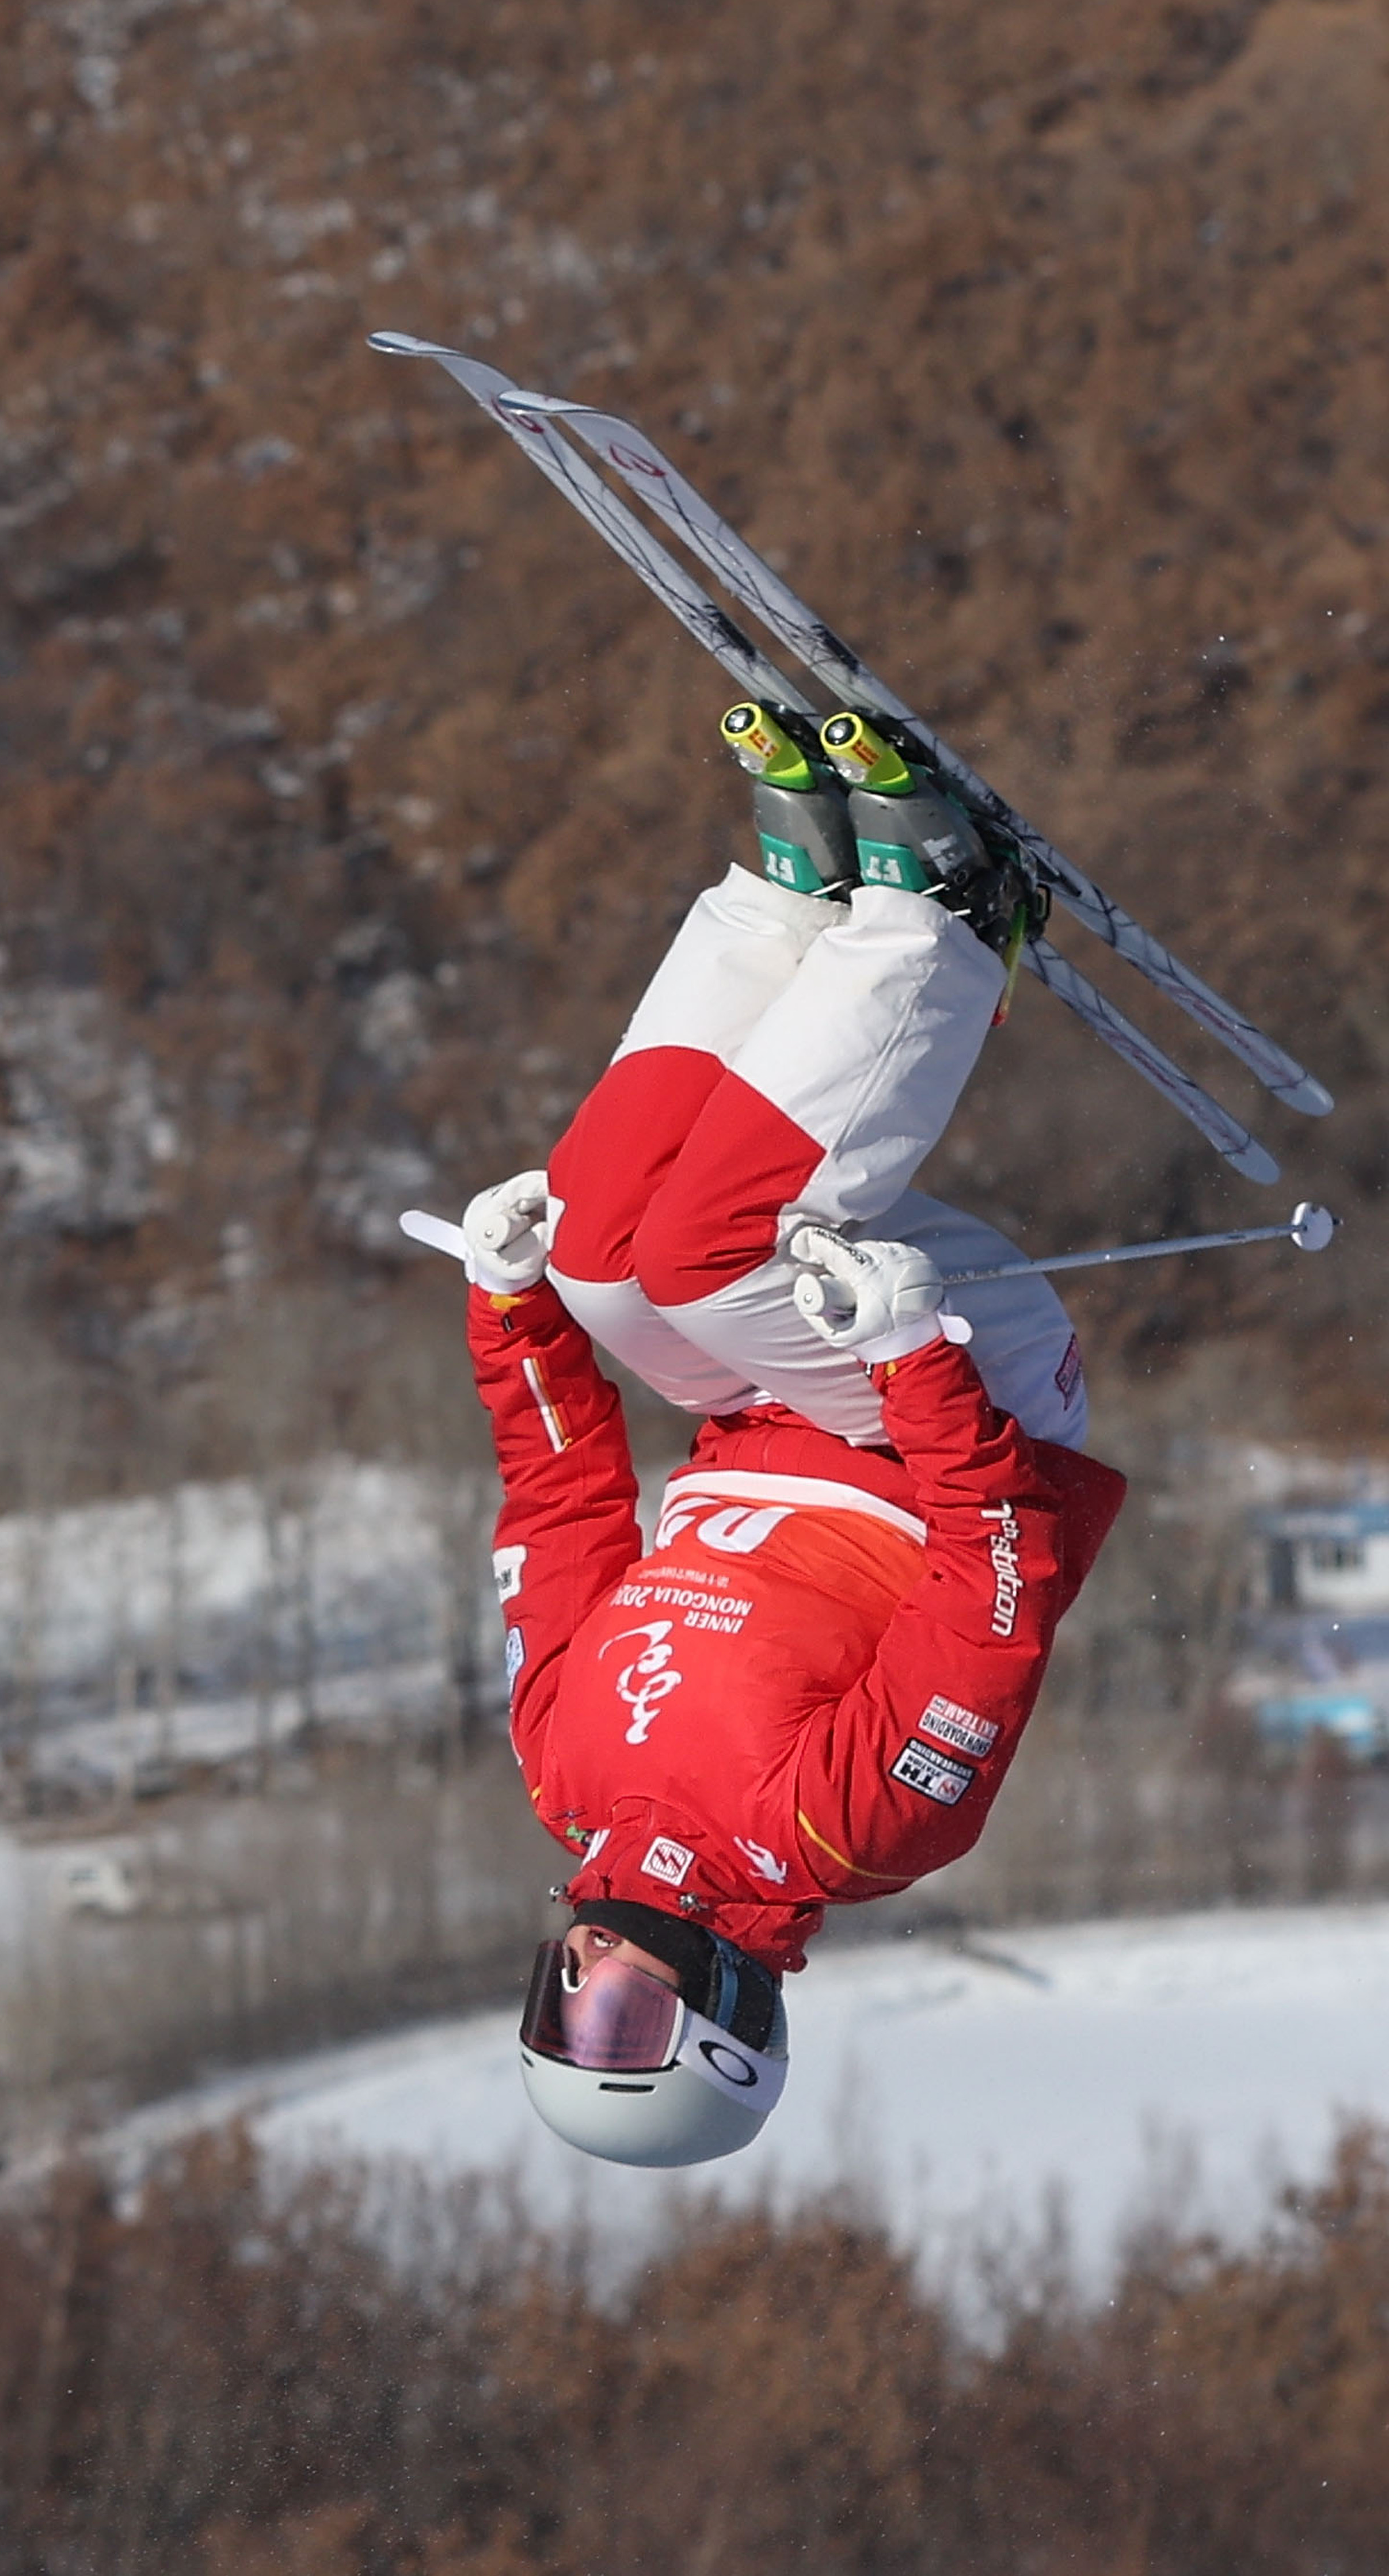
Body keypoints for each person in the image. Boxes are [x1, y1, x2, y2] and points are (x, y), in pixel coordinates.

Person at [458, 707, 1127, 2167]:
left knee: (597, 1258)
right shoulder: (855, 1833)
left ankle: (787, 899)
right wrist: (910, 1359)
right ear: (719, 2023)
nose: (588, 1984)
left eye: (558, 2014)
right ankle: (945, 923)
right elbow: (999, 1566)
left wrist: (516, 1313)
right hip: (957, 1415)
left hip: (767, 1406)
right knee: (707, 1252)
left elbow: (558, 1513)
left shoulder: (564, 1771)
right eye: (618, 2035)